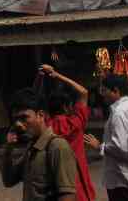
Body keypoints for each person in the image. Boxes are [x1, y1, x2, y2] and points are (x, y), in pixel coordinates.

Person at [84, 75, 128, 201]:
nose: (102, 94)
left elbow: (119, 147)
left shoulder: (119, 113)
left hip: (123, 180)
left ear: (116, 91)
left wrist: (99, 146)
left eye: (104, 90)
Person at [2, 87, 77, 201]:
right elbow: (8, 181)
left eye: (24, 118)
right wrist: (8, 149)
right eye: (16, 119)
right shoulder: (32, 147)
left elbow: (68, 195)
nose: (18, 124)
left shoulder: (57, 146)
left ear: (41, 115)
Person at [40, 65, 96, 201]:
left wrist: (40, 78)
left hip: (54, 183)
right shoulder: (75, 123)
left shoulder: (44, 125)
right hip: (78, 182)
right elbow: (83, 92)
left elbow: (32, 99)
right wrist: (56, 74)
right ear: (66, 107)